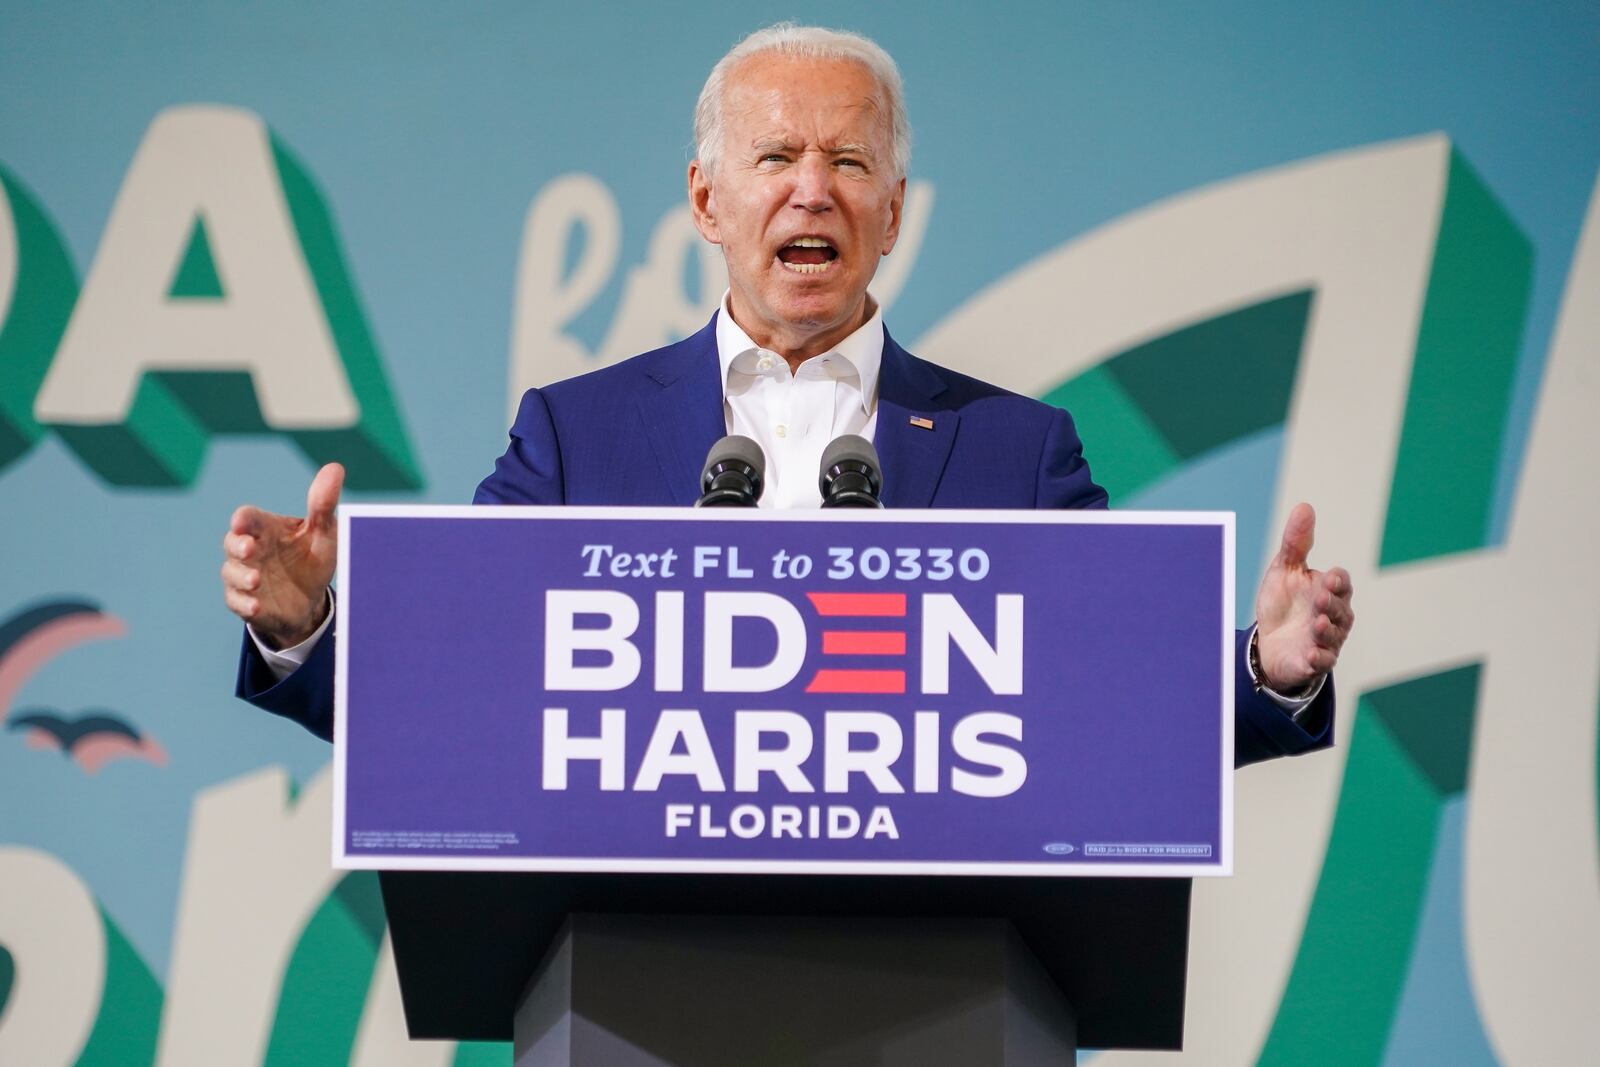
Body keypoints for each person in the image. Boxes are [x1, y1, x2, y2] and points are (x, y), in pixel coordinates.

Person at [222, 24, 1353, 763]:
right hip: (631, 973)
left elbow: (1110, 704)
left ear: (895, 209)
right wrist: (306, 626)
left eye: (850, 164)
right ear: (706, 198)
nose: (813, 189)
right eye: (775, 160)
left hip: (940, 978)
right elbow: (459, 692)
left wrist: (1267, 668)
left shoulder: (1018, 451)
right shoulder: (573, 435)